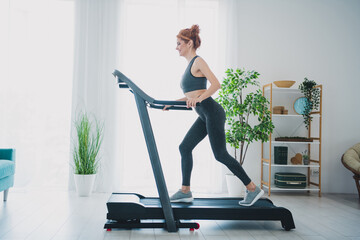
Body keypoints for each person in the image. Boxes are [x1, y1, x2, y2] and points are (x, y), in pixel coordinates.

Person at [164, 24, 264, 207]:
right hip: (204, 114)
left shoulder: (198, 61)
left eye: (179, 43)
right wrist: (171, 103)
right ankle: (185, 191)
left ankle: (252, 188)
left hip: (212, 112)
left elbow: (216, 84)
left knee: (220, 154)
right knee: (184, 147)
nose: (176, 47)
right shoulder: (189, 66)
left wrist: (199, 98)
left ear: (189, 43)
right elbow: (190, 96)